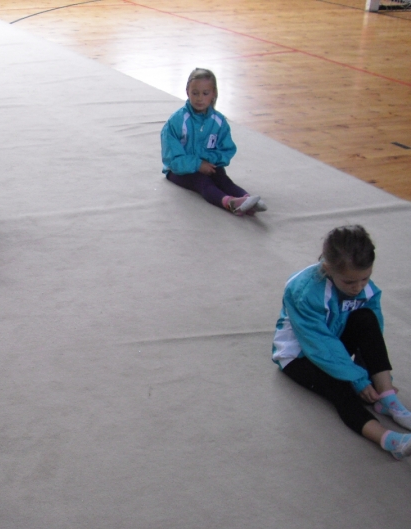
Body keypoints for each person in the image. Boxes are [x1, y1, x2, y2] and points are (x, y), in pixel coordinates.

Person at [272, 225, 411, 459]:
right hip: (300, 356)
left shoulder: (365, 289)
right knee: (338, 385)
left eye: (365, 278)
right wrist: (356, 379)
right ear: (328, 268)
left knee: (366, 318)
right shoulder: (304, 292)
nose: (358, 287)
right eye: (349, 282)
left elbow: (372, 333)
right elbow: (320, 345)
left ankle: (387, 398)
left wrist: (372, 377)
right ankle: (388, 440)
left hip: (333, 345)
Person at [161, 68, 266, 216]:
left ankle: (248, 199)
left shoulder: (219, 121)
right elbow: (172, 159)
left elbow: (227, 149)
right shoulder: (177, 121)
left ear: (214, 94)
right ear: (187, 92)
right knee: (202, 182)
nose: (200, 98)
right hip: (179, 170)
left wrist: (210, 161)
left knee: (223, 179)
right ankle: (230, 203)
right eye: (195, 93)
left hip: (208, 165)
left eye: (205, 93)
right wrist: (198, 164)